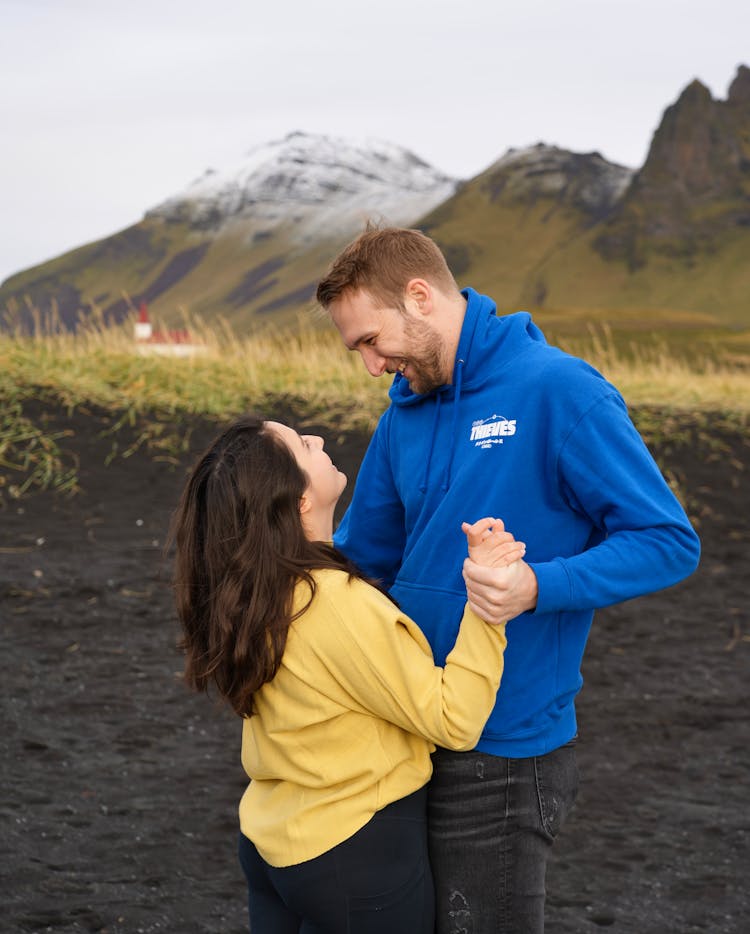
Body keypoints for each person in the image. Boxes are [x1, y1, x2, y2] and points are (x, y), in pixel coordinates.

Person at [315, 226, 702, 933]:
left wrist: (539, 585)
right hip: (403, 733)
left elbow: (666, 541)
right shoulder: (404, 414)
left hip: (505, 752)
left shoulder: (559, 390)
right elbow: (362, 559)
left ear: (420, 296)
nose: (371, 366)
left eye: (370, 340)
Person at [169, 413, 526, 934]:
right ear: (298, 502)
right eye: (299, 445)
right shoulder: (332, 601)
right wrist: (488, 603)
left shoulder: (249, 593)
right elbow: (454, 719)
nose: (315, 437)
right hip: (354, 855)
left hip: (271, 846)